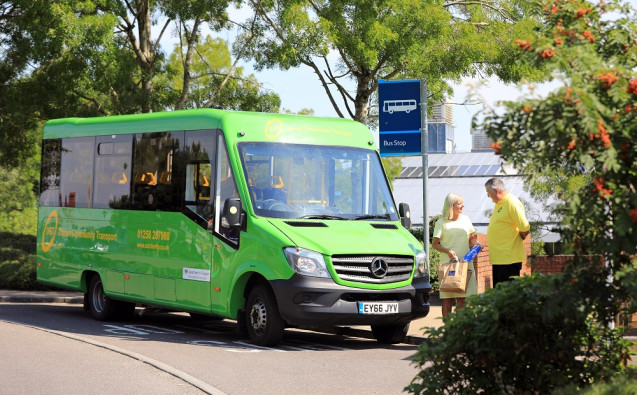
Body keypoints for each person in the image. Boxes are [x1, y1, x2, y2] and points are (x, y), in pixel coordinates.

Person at [432, 193, 479, 317]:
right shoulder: (441, 222)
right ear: (451, 205)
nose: (463, 206)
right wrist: (447, 251)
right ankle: (448, 331)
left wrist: (475, 242)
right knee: (447, 299)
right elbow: (435, 244)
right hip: (448, 266)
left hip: (465, 263)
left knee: (462, 299)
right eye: (460, 204)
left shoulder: (466, 219)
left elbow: (471, 240)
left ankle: (459, 329)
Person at [485, 178, 530, 287]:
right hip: (500, 258)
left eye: (488, 193)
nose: (488, 196)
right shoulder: (499, 204)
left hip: (508, 259)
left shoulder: (511, 202)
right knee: (500, 295)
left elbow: (525, 227)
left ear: (496, 191)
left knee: (508, 295)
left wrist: (518, 238)